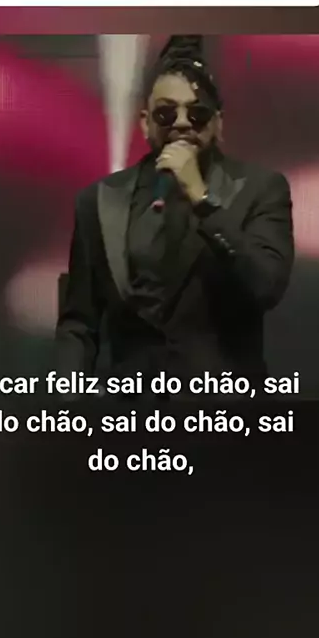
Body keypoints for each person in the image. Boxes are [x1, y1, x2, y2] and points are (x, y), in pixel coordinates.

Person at [56, 36, 294, 387]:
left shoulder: (260, 189)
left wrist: (202, 198)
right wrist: (69, 400)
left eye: (197, 114)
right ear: (145, 122)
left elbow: (266, 286)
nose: (182, 123)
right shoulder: (102, 199)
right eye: (166, 113)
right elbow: (79, 322)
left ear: (218, 123)